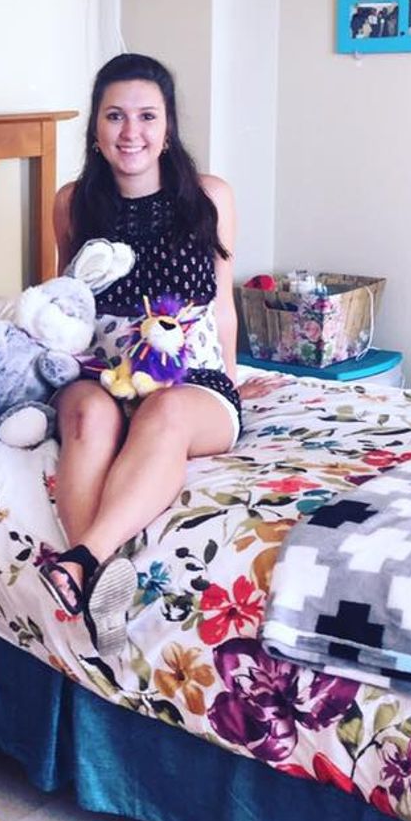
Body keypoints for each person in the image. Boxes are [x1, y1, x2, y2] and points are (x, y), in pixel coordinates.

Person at [39, 53, 277, 657]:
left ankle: (83, 559)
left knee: (164, 413)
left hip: (190, 380)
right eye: (115, 116)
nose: (131, 132)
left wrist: (230, 379)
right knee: (86, 415)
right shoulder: (72, 203)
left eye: (147, 116)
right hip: (104, 373)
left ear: (168, 127)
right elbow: (69, 303)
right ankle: (95, 587)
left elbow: (222, 304)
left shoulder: (209, 196)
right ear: (95, 128)